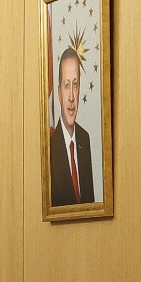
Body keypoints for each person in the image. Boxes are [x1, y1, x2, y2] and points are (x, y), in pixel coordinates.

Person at [48, 48, 95, 206]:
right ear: (59, 93)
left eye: (75, 85)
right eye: (66, 85)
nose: (71, 97)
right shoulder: (50, 147)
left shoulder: (84, 139)